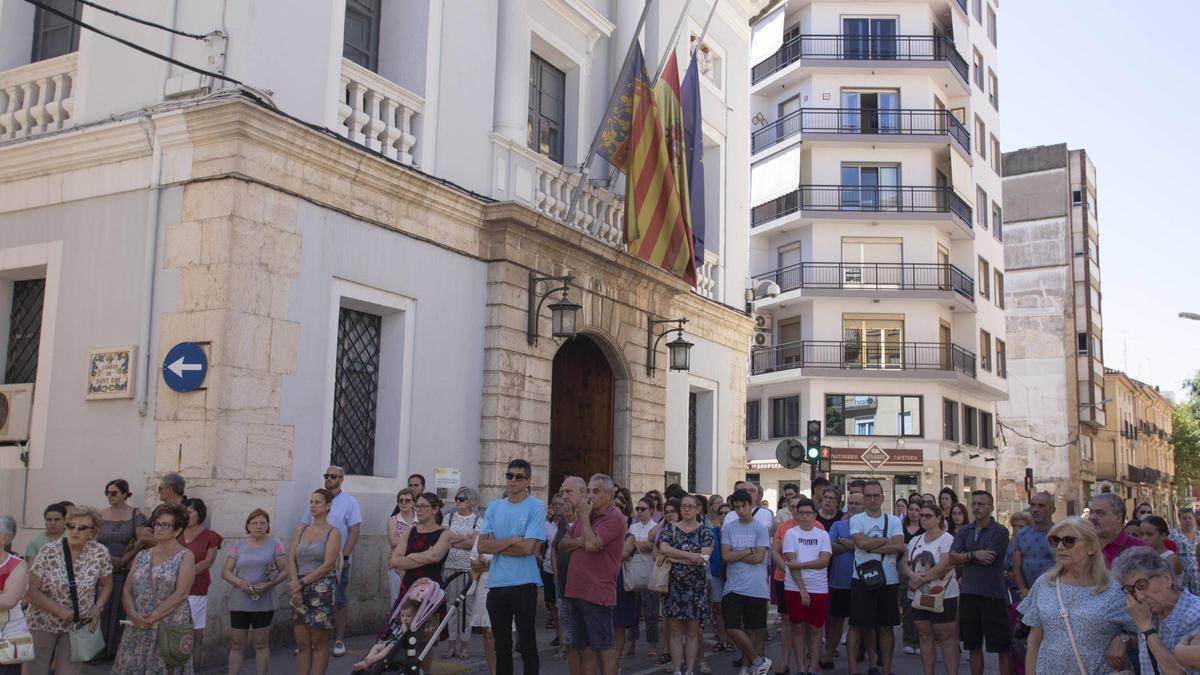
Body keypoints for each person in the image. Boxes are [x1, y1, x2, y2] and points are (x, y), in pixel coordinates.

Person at [1018, 518, 1133, 674]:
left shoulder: (1114, 589)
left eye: (1069, 541)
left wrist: (1123, 640)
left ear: (1091, 547)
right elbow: (1034, 639)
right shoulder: (1044, 583)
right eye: (1055, 540)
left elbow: (1142, 631)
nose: (1060, 547)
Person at [24, 505, 113, 675]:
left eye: (82, 528)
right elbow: (30, 591)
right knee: (35, 670)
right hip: (42, 620)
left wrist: (98, 607)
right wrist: (60, 611)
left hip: (77, 624)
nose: (75, 531)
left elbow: (107, 584)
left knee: (69, 672)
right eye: (71, 526)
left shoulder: (100, 553)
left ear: (93, 532)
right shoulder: (49, 550)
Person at [478, 458, 546, 675]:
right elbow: (481, 545)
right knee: (501, 646)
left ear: (528, 481)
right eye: (509, 476)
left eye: (518, 477)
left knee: (526, 644)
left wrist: (497, 544)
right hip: (497, 583)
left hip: (524, 583)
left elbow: (528, 548)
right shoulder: (495, 506)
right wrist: (511, 540)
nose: (513, 480)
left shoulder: (536, 506)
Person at [112, 502, 196, 675]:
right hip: (136, 625)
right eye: (157, 524)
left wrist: (152, 617)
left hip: (167, 627)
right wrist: (133, 614)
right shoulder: (142, 555)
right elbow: (127, 589)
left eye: (165, 525)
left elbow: (182, 593)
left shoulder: (185, 556)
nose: (158, 528)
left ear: (178, 530)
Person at [558, 474, 627, 675]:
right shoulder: (587, 516)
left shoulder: (614, 517)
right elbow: (562, 544)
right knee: (584, 649)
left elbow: (592, 544)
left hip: (597, 593)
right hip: (577, 591)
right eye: (588, 490)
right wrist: (581, 540)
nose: (590, 495)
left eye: (595, 491)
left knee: (604, 649)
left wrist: (585, 521)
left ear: (609, 495)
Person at [949, 490, 1013, 675]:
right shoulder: (964, 531)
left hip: (993, 595)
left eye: (981, 504)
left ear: (991, 507)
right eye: (974, 503)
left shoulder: (1000, 531)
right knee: (973, 645)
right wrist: (974, 555)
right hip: (969, 593)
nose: (976, 507)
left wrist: (964, 557)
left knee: (1001, 646)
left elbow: (989, 558)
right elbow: (952, 558)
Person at [846, 481, 905, 675]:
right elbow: (860, 542)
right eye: (868, 495)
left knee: (886, 627)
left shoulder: (894, 520)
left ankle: (885, 670)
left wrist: (870, 545)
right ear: (863, 498)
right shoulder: (857, 519)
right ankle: (853, 670)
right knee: (857, 626)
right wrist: (886, 540)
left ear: (882, 498)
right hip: (862, 580)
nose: (872, 499)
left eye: (876, 495)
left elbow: (899, 546)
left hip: (888, 580)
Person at [302, 466, 361, 657]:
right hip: (314, 560)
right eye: (326, 475)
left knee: (339, 600)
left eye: (333, 476)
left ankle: (338, 639)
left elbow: (354, 530)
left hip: (337, 561)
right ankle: (314, 640)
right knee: (311, 600)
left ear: (342, 479)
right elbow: (305, 526)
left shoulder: (349, 502)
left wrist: (345, 556)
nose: (328, 479)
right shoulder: (315, 500)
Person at [388, 492, 450, 673]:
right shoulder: (411, 530)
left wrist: (410, 558)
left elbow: (435, 555)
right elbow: (394, 560)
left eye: (424, 506)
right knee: (403, 635)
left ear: (435, 509)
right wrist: (422, 557)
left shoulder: (444, 534)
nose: (419, 510)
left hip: (430, 592)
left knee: (425, 641)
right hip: (408, 589)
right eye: (418, 506)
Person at [1112, 546, 1200, 675]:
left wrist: (1147, 629)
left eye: (1142, 585)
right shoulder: (1148, 614)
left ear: (1167, 579)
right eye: (1131, 590)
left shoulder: (1195, 614)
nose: (1139, 596)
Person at [221, 509, 286, 675]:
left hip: (263, 602)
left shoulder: (275, 544)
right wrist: (240, 583)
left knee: (260, 643)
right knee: (236, 643)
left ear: (268, 526)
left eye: (262, 523)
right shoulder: (239, 545)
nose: (258, 526)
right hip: (240, 601)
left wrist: (269, 585)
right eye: (254, 523)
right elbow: (226, 571)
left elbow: (285, 571)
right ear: (248, 525)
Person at [900, 504, 960, 675]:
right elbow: (904, 563)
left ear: (939, 518)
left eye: (928, 516)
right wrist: (912, 575)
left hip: (943, 595)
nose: (924, 518)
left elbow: (946, 564)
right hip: (918, 595)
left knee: (946, 638)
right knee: (924, 636)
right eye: (922, 515)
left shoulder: (947, 539)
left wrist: (921, 579)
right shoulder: (915, 540)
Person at [658, 493, 714, 675]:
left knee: (692, 630)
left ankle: (689, 670)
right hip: (673, 586)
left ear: (698, 509)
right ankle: (676, 670)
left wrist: (675, 557)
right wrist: (690, 556)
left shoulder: (705, 531)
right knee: (674, 631)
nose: (687, 509)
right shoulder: (670, 529)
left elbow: (704, 558)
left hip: (696, 587)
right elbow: (663, 549)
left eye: (691, 506)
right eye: (684, 506)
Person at [289, 489, 342, 675]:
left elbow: (328, 564)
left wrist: (301, 584)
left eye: (317, 502)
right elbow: (291, 559)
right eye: (311, 502)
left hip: (322, 589)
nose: (312, 505)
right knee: (302, 643)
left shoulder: (333, 532)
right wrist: (295, 584)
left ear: (327, 505)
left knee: (319, 642)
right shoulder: (300, 530)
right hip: (299, 589)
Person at [721, 489, 773, 675]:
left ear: (751, 505)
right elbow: (726, 556)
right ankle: (758, 660)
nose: (741, 510)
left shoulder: (760, 528)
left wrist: (739, 554)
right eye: (737, 508)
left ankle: (747, 667)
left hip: (756, 586)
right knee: (732, 627)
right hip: (734, 586)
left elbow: (759, 557)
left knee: (754, 630)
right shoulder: (728, 528)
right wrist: (748, 551)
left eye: (744, 506)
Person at [96, 479, 146, 662]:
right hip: (103, 565)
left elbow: (142, 539)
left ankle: (116, 651)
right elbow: (93, 541)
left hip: (126, 566)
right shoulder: (100, 515)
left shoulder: (135, 514)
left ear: (125, 493)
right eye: (107, 492)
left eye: (114, 492)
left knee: (121, 606)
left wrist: (124, 559)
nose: (110, 496)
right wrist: (109, 559)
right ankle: (97, 650)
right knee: (102, 604)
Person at [783, 497, 831, 675]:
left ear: (814, 515)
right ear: (796, 514)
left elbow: (824, 561)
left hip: (818, 587)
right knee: (797, 627)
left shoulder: (822, 535)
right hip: (794, 587)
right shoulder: (791, 534)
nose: (804, 517)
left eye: (808, 513)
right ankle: (802, 668)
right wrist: (802, 588)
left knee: (815, 627)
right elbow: (790, 560)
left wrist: (801, 565)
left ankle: (813, 666)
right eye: (801, 513)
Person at [821, 490, 863, 670]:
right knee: (836, 621)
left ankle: (854, 662)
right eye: (851, 503)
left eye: (857, 503)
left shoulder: (867, 526)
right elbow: (830, 547)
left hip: (860, 581)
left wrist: (843, 541)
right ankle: (829, 656)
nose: (853, 506)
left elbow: (862, 546)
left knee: (857, 624)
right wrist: (853, 544)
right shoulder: (838, 525)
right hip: (838, 581)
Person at [178, 497, 221, 662]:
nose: (186, 516)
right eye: (184, 513)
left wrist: (184, 574)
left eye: (189, 512)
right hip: (173, 588)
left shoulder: (210, 536)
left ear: (199, 514)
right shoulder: (176, 533)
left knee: (192, 630)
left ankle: (191, 666)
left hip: (196, 588)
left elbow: (207, 562)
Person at [444, 486, 481, 660]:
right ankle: (451, 645)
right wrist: (464, 540)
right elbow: (445, 540)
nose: (457, 501)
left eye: (461, 499)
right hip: (450, 567)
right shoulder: (448, 518)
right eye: (457, 499)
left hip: (468, 568)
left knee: (466, 607)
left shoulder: (477, 520)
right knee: (451, 605)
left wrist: (455, 541)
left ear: (470, 502)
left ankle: (464, 646)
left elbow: (474, 543)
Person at [554, 476, 586, 670]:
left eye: (568, 492)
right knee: (572, 642)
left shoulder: (589, 517)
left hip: (584, 590)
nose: (563, 496)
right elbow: (558, 547)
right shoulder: (564, 520)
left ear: (583, 492)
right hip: (564, 586)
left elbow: (585, 545)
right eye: (562, 492)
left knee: (588, 646)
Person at [628, 497, 660, 662]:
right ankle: (631, 642)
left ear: (652, 510)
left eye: (643, 509)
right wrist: (642, 544)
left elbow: (652, 545)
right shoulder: (633, 526)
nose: (639, 511)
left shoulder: (655, 527)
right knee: (632, 611)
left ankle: (652, 645)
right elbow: (630, 545)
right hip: (634, 573)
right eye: (637, 508)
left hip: (650, 574)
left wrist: (636, 544)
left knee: (651, 613)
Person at [1011, 492, 1056, 602]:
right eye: (1032, 505)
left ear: (1052, 510)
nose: (1035, 509)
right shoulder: (1021, 535)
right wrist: (1024, 590)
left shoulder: (1061, 534)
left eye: (1041, 506)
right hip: (1028, 595)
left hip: (1055, 595)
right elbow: (1017, 567)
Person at [0, 514, 28, 675]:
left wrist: (4, 596)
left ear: (5, 538)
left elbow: (9, 600)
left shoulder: (16, 564)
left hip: (7, 640)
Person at [1088, 492, 1145, 569]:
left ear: (1118, 517)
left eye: (1100, 513)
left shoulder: (1140, 549)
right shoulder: (1082, 546)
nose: (1092, 517)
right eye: (1091, 512)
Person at [900, 498, 926, 655]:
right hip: (904, 569)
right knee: (907, 606)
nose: (914, 513)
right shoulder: (901, 528)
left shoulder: (924, 531)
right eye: (911, 509)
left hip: (921, 569)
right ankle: (909, 640)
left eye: (917, 510)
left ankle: (920, 640)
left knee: (920, 605)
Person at [386, 488, 417, 605]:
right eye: (401, 500)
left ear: (414, 502)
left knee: (415, 599)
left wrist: (402, 539)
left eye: (407, 500)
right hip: (397, 565)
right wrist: (416, 539)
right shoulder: (393, 520)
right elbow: (393, 541)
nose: (403, 503)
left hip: (416, 564)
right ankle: (397, 624)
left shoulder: (420, 519)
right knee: (397, 599)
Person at [1141, 516, 1187, 593]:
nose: (1144, 538)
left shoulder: (1171, 559)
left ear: (1163, 536)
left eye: (1149, 534)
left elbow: (1163, 587)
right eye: (1142, 534)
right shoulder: (1144, 556)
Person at [542, 494, 564, 645]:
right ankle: (558, 634)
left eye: (559, 504)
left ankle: (565, 637)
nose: (557, 507)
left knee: (562, 605)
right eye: (554, 504)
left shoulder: (568, 524)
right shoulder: (546, 525)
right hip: (548, 569)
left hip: (563, 570)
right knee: (552, 605)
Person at [1169, 507, 1200, 594]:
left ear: (1194, 519)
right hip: (1181, 580)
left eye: (1190, 518)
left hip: (1198, 579)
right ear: (1179, 519)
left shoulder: (1199, 536)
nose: (1187, 520)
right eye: (1184, 518)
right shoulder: (1172, 535)